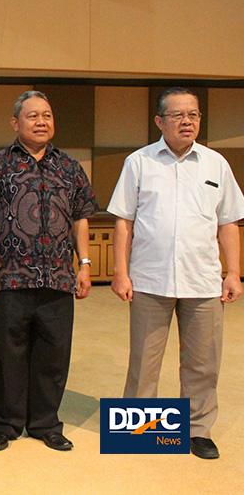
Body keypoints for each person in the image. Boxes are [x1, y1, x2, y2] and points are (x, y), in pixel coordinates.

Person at [108, 87, 244, 460]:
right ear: (159, 121)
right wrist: (121, 272)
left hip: (203, 281)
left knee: (203, 362)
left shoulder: (216, 164)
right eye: (178, 115)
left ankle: (198, 430)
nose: (187, 122)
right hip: (150, 280)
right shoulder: (140, 161)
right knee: (144, 362)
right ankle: (138, 432)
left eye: (194, 115)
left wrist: (234, 272)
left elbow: (229, 222)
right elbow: (124, 223)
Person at [0, 90, 97, 452]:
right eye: (32, 116)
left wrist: (85, 263)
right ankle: (5, 423)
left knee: (53, 355)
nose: (41, 122)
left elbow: (80, 218)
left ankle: (45, 423)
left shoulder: (70, 167)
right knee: (5, 356)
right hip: (8, 277)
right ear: (15, 123)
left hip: (58, 278)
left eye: (47, 115)